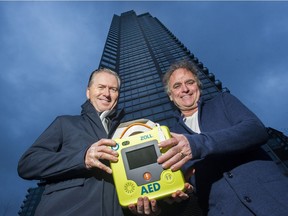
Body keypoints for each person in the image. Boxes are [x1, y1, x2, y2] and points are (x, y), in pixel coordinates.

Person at [18, 68, 190, 216]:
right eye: (101, 87)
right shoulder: (64, 123)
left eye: (113, 89)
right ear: (88, 91)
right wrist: (82, 158)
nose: (107, 94)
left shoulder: (128, 134)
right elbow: (27, 164)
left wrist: (150, 207)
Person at [157, 59, 288, 216]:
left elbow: (256, 130)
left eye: (190, 82)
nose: (184, 89)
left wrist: (197, 144)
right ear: (171, 96)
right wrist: (185, 190)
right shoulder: (170, 136)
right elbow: (184, 182)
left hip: (274, 201)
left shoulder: (223, 101)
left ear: (198, 85)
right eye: (177, 86)